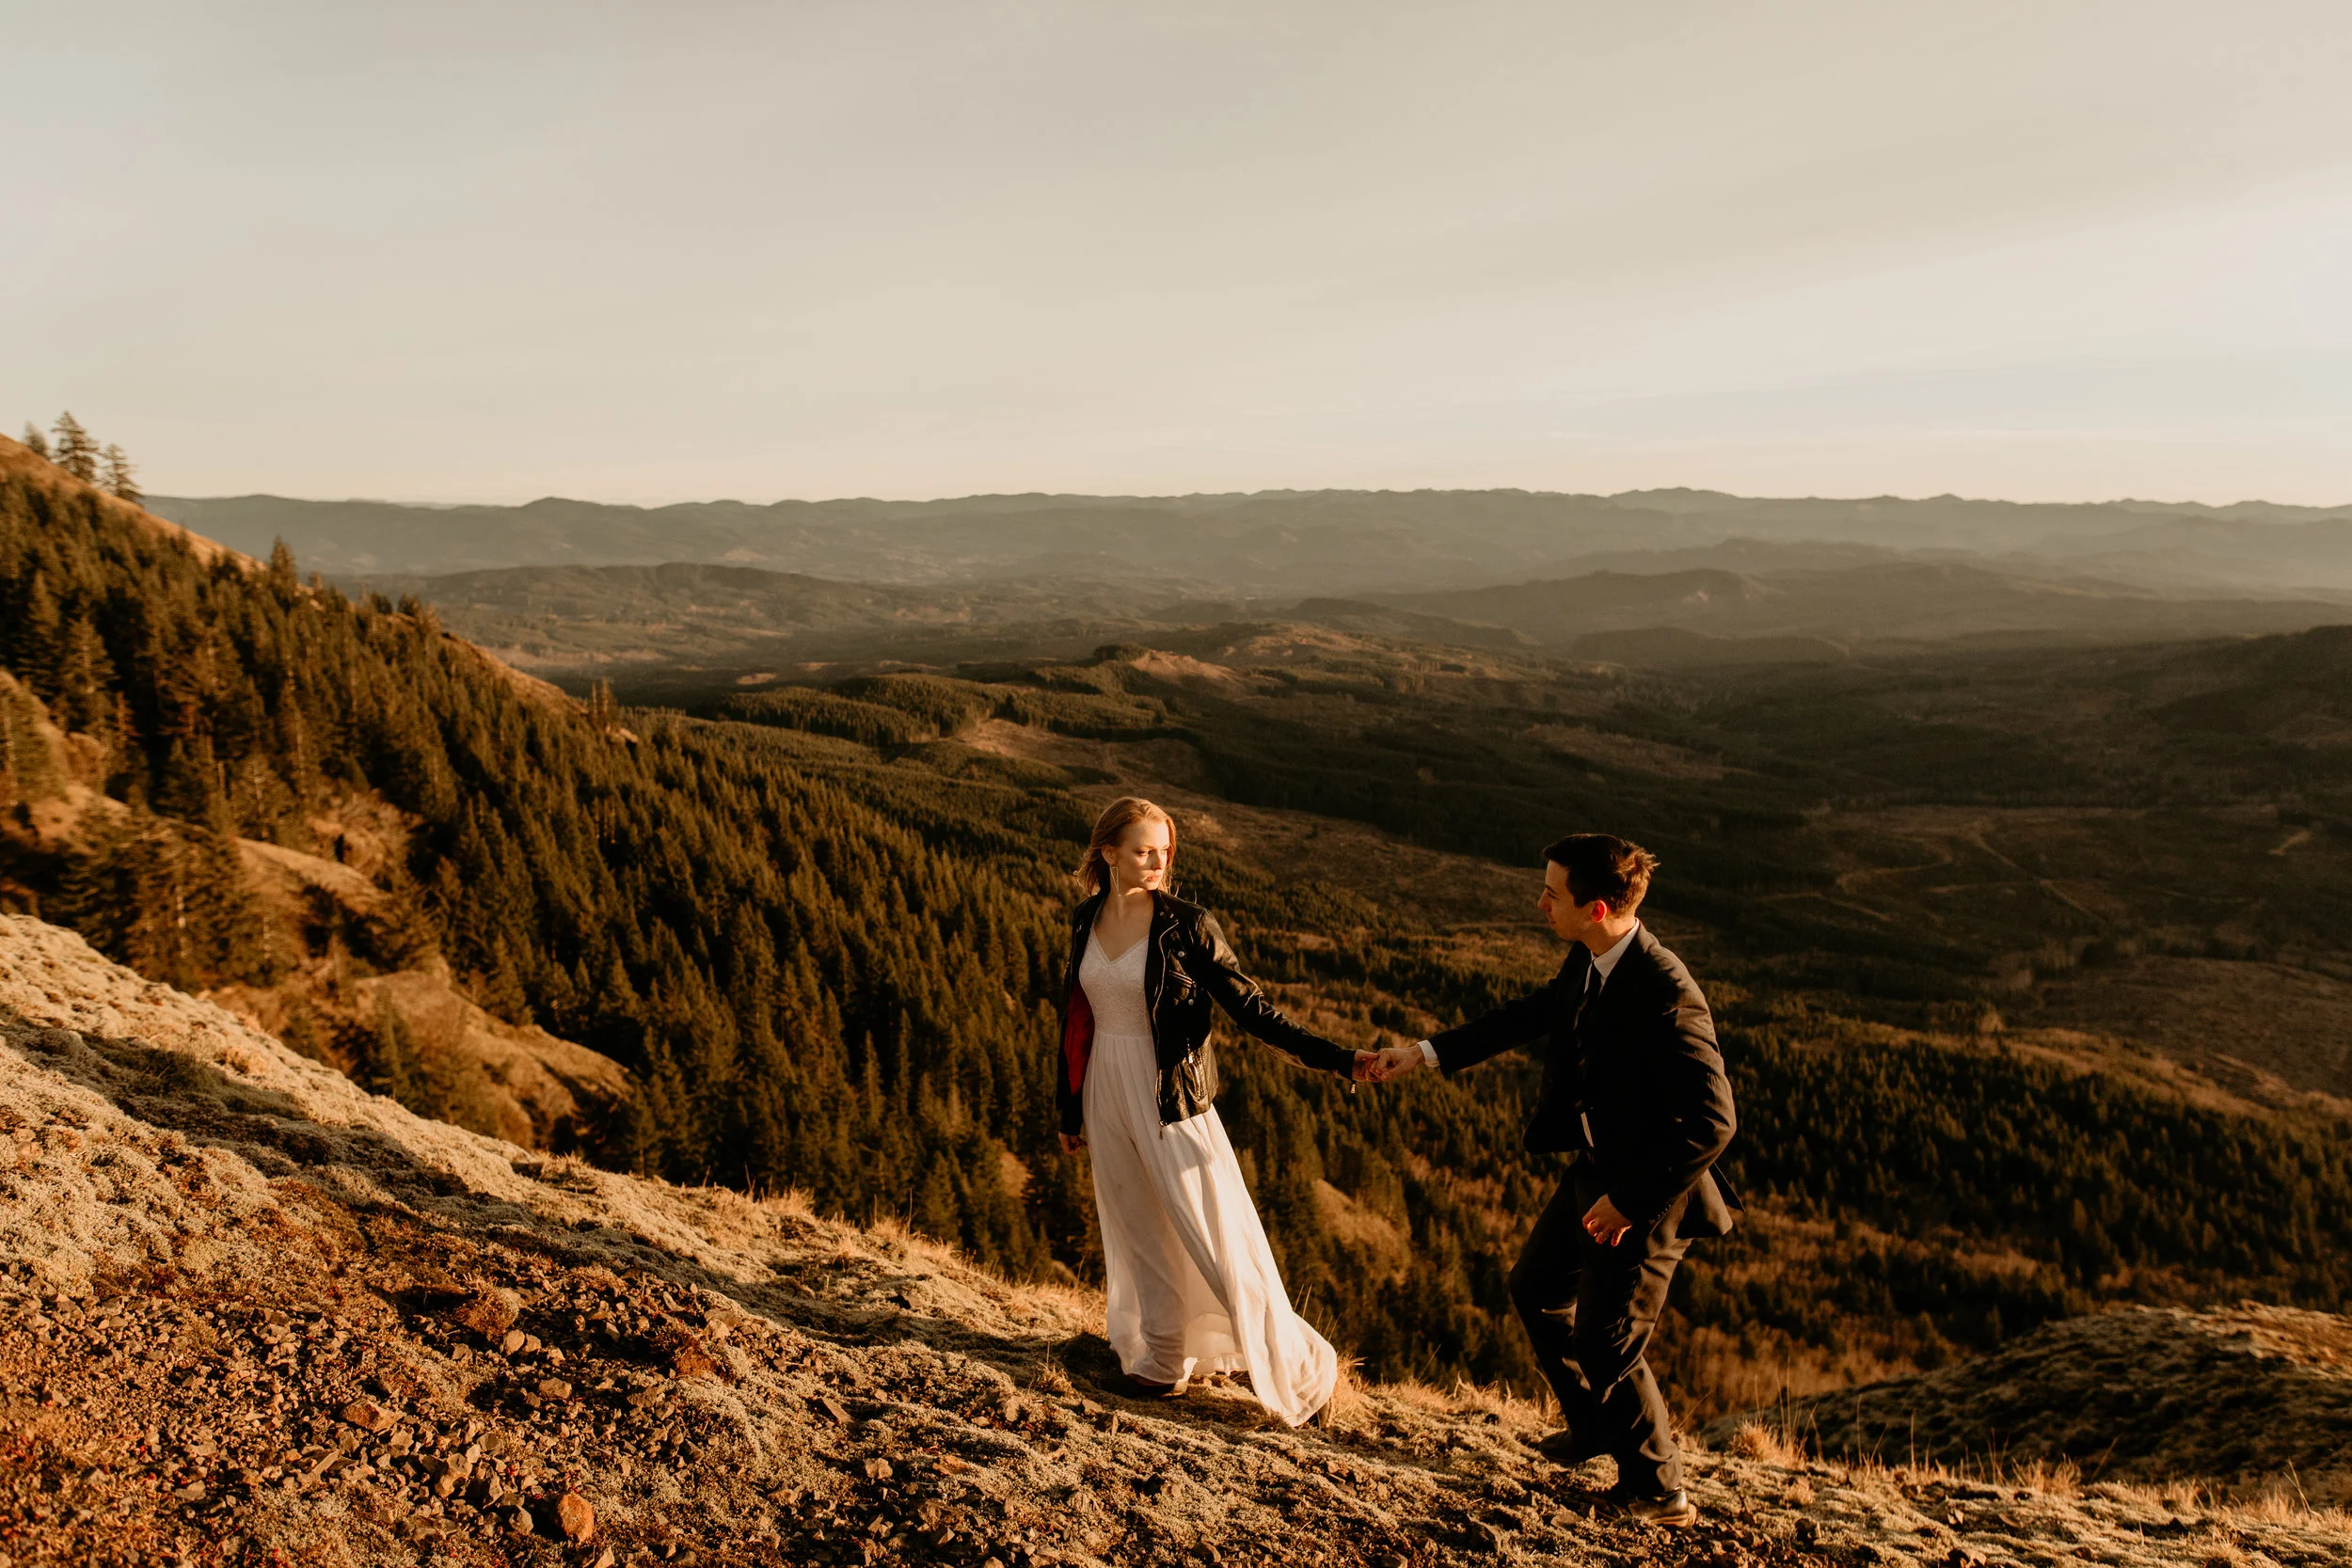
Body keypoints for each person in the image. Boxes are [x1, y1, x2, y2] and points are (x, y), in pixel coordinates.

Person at [1368, 833, 1738, 1527]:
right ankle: (1594, 1424)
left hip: (1650, 1192)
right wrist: (1421, 1054)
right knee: (1535, 1290)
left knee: (1608, 1337)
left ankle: (1660, 1490)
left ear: (1596, 907)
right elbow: (1531, 1014)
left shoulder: (1667, 994)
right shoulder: (1592, 956)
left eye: (1551, 893)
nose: (1540, 902)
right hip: (1595, 1167)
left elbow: (1715, 1123)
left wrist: (1628, 1202)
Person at [1055, 796, 1375, 1426]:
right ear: (1108, 851)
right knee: (1137, 1225)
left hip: (1169, 1093)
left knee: (1215, 1234)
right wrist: (1071, 1110)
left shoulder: (1187, 924)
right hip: (1103, 1085)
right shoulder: (1085, 918)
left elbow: (1254, 1009)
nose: (1157, 861)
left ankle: (1302, 1366)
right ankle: (1164, 1358)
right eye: (1144, 849)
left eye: (1165, 851)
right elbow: (1075, 1021)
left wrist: (1340, 1058)